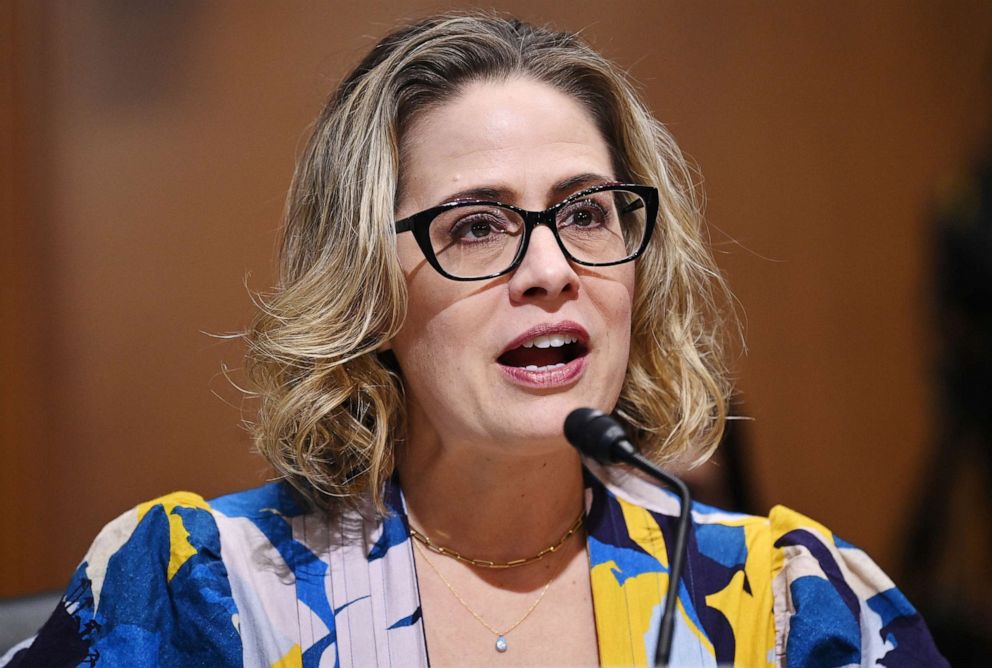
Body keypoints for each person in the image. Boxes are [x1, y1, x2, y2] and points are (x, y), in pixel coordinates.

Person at [2, 13, 946, 668]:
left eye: (587, 212)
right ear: (367, 289)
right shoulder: (197, 594)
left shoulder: (792, 610)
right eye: (475, 226)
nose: (549, 269)